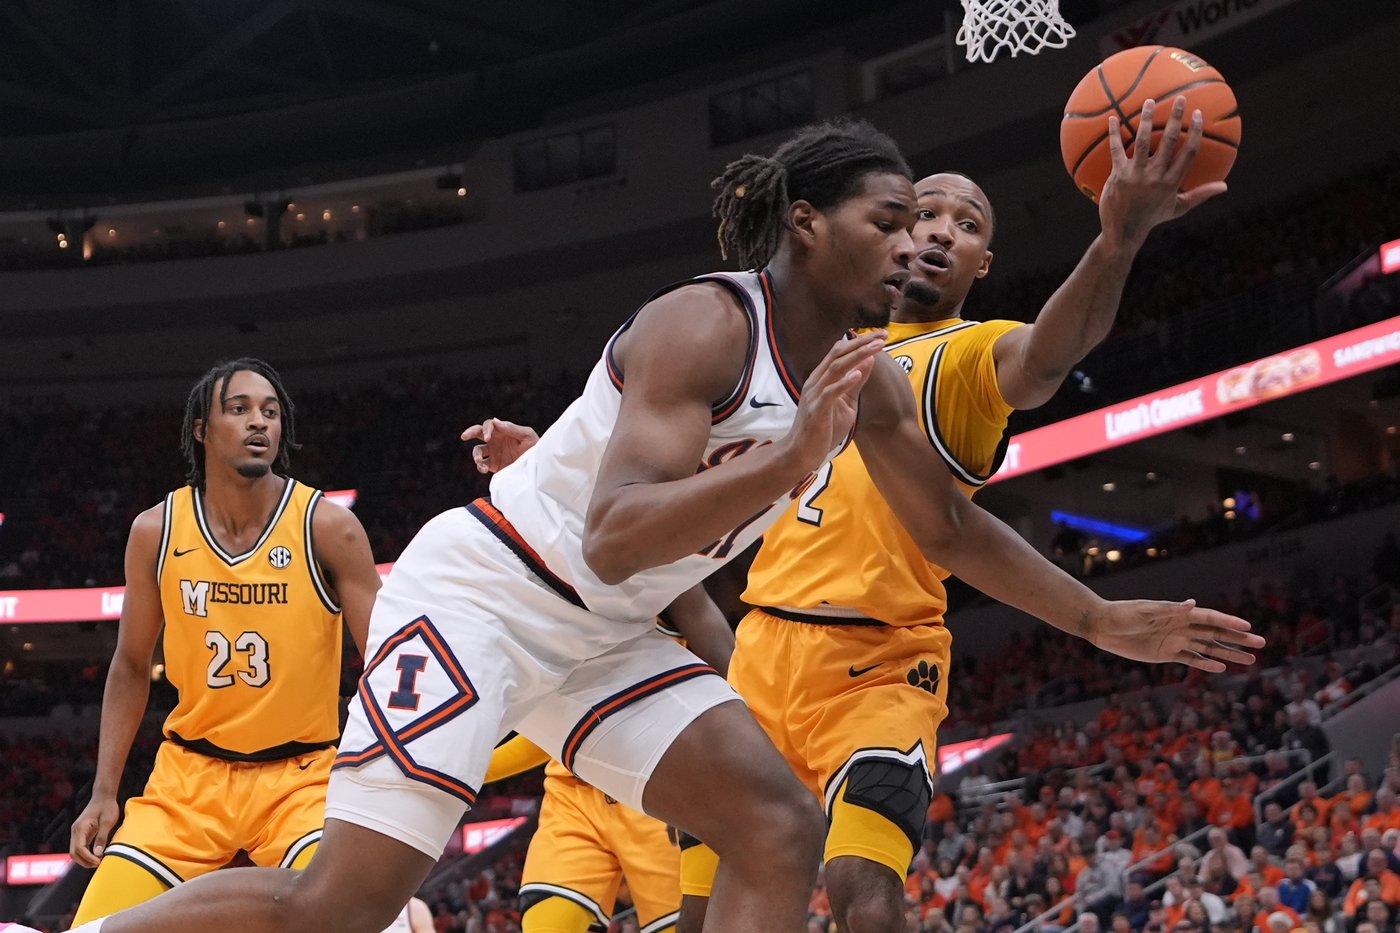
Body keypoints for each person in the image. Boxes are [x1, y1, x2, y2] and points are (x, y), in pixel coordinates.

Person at [45, 116, 1253, 933]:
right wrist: (786, 456)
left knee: (774, 823)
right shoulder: (703, 326)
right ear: (808, 227)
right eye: (886, 222)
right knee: (344, 909)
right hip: (489, 598)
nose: (907, 243)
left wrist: (1101, 618)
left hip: (610, 636)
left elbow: (943, 529)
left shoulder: (866, 371)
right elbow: (620, 533)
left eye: (921, 226)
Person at [674, 96, 1250, 933]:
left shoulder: (966, 356)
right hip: (759, 649)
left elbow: (1050, 354)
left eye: (966, 223)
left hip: (882, 660)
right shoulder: (808, 354)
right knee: (701, 916)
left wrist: (1116, 240)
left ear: (983, 263)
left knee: (862, 888)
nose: (940, 230)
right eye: (920, 214)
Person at [64, 359, 379, 924]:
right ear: (201, 430)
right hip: (188, 782)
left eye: (270, 412)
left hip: (302, 780)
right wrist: (104, 792)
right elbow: (132, 666)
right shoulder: (155, 531)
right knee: (92, 927)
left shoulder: (327, 527)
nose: (259, 422)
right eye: (238, 409)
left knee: (345, 916)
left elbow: (386, 665)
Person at [475, 584, 734, 933]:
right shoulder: (533, 581)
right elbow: (554, 725)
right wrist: (467, 769)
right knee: (547, 924)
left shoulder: (662, 570)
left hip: (653, 784)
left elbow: (728, 660)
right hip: (574, 792)